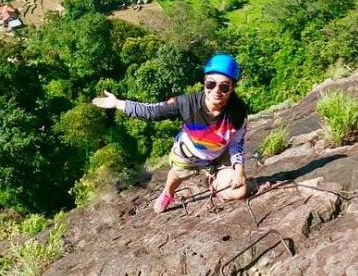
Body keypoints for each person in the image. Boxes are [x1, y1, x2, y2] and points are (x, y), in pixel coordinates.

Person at [92, 53, 248, 213]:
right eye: (211, 84)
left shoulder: (237, 113)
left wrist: (239, 172)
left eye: (224, 86)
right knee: (175, 176)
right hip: (188, 154)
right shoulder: (187, 103)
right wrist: (118, 103)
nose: (216, 90)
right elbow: (152, 111)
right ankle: (168, 192)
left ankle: (214, 183)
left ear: (232, 88)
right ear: (204, 82)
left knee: (240, 191)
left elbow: (237, 143)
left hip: (217, 158)